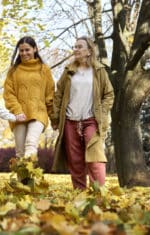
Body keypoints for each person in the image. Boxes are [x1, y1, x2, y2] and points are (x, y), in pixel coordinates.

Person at [51, 36, 114, 190]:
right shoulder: (68, 71)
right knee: (75, 160)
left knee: (95, 158)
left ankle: (98, 193)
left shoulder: (99, 71)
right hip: (70, 121)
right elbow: (58, 95)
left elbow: (109, 94)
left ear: (89, 51)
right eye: (75, 47)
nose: (76, 50)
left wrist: (102, 112)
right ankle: (79, 192)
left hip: (91, 120)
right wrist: (55, 117)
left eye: (79, 47)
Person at [3, 36, 55, 162]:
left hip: (38, 113)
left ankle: (30, 178)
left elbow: (50, 95)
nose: (24, 53)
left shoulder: (44, 69)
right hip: (19, 115)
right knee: (20, 152)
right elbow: (9, 94)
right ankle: (23, 181)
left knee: (31, 144)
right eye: (21, 51)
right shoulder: (13, 70)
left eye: (27, 50)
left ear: (35, 49)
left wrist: (54, 118)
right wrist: (17, 111)